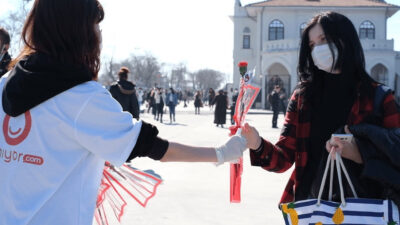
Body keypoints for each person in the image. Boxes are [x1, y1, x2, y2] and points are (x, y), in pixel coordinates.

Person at [0, 1, 249, 224]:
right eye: (95, 26)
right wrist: (222, 153)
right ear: (78, 32)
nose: (98, 34)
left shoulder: (4, 84)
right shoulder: (83, 99)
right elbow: (157, 149)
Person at [242, 11, 400, 206]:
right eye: (312, 45)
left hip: (365, 208)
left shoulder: (380, 98)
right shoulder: (303, 97)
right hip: (311, 205)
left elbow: (396, 156)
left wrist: (361, 153)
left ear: (345, 39)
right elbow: (284, 159)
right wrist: (257, 143)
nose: (318, 49)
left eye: (324, 39)